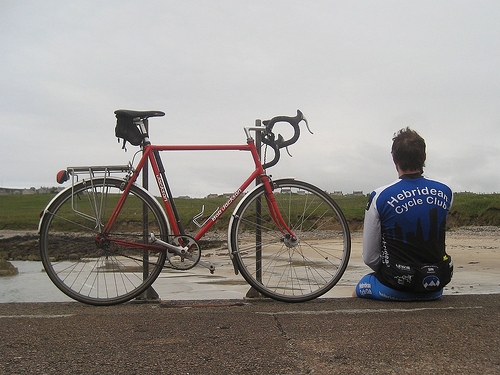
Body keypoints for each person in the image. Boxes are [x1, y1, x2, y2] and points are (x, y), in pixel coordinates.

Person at [354, 127, 453, 301]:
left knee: (358, 290)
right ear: (424, 156)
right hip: (435, 287)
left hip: (394, 286)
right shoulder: (446, 192)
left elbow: (370, 258)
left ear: (394, 158)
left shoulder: (379, 196)